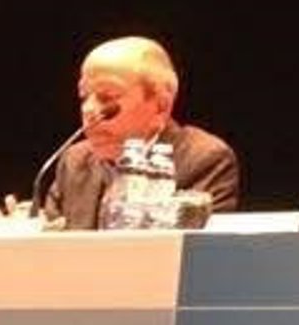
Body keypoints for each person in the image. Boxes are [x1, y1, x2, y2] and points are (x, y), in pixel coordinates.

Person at [35, 35, 242, 229]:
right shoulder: (73, 161)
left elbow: (192, 248)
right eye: (83, 97)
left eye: (107, 97)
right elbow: (49, 243)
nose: (88, 109)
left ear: (161, 105)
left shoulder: (203, 158)